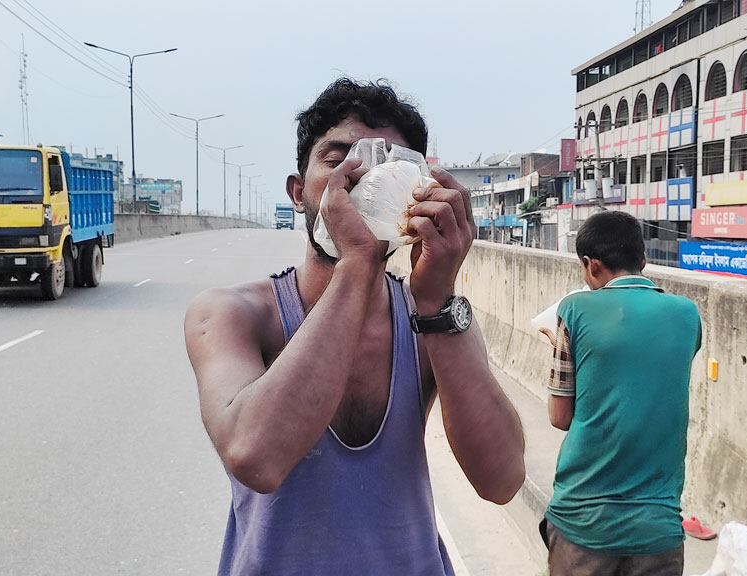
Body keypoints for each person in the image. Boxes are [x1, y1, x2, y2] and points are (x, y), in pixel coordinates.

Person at [184, 78, 526, 575]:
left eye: (388, 166)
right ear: (299, 192)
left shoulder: (433, 318)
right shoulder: (231, 314)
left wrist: (434, 299)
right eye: (337, 158)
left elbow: (502, 480)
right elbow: (255, 457)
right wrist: (359, 262)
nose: (361, 179)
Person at [542, 210, 702, 576]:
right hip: (659, 527)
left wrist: (564, 347)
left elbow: (559, 416)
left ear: (591, 264)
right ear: (642, 259)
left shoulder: (575, 308)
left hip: (585, 520)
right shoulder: (688, 314)